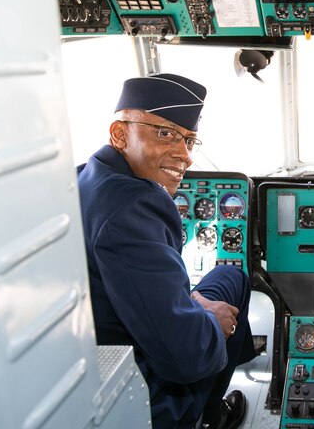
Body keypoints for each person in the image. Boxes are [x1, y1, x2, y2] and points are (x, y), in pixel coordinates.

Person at [77, 73, 256, 429]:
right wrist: (211, 320)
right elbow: (186, 356)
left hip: (92, 363)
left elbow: (131, 285)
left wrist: (191, 300)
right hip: (147, 395)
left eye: (189, 140)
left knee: (217, 284)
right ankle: (207, 415)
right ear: (119, 133)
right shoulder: (136, 207)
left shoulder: (83, 177)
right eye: (165, 134)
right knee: (233, 278)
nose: (185, 156)